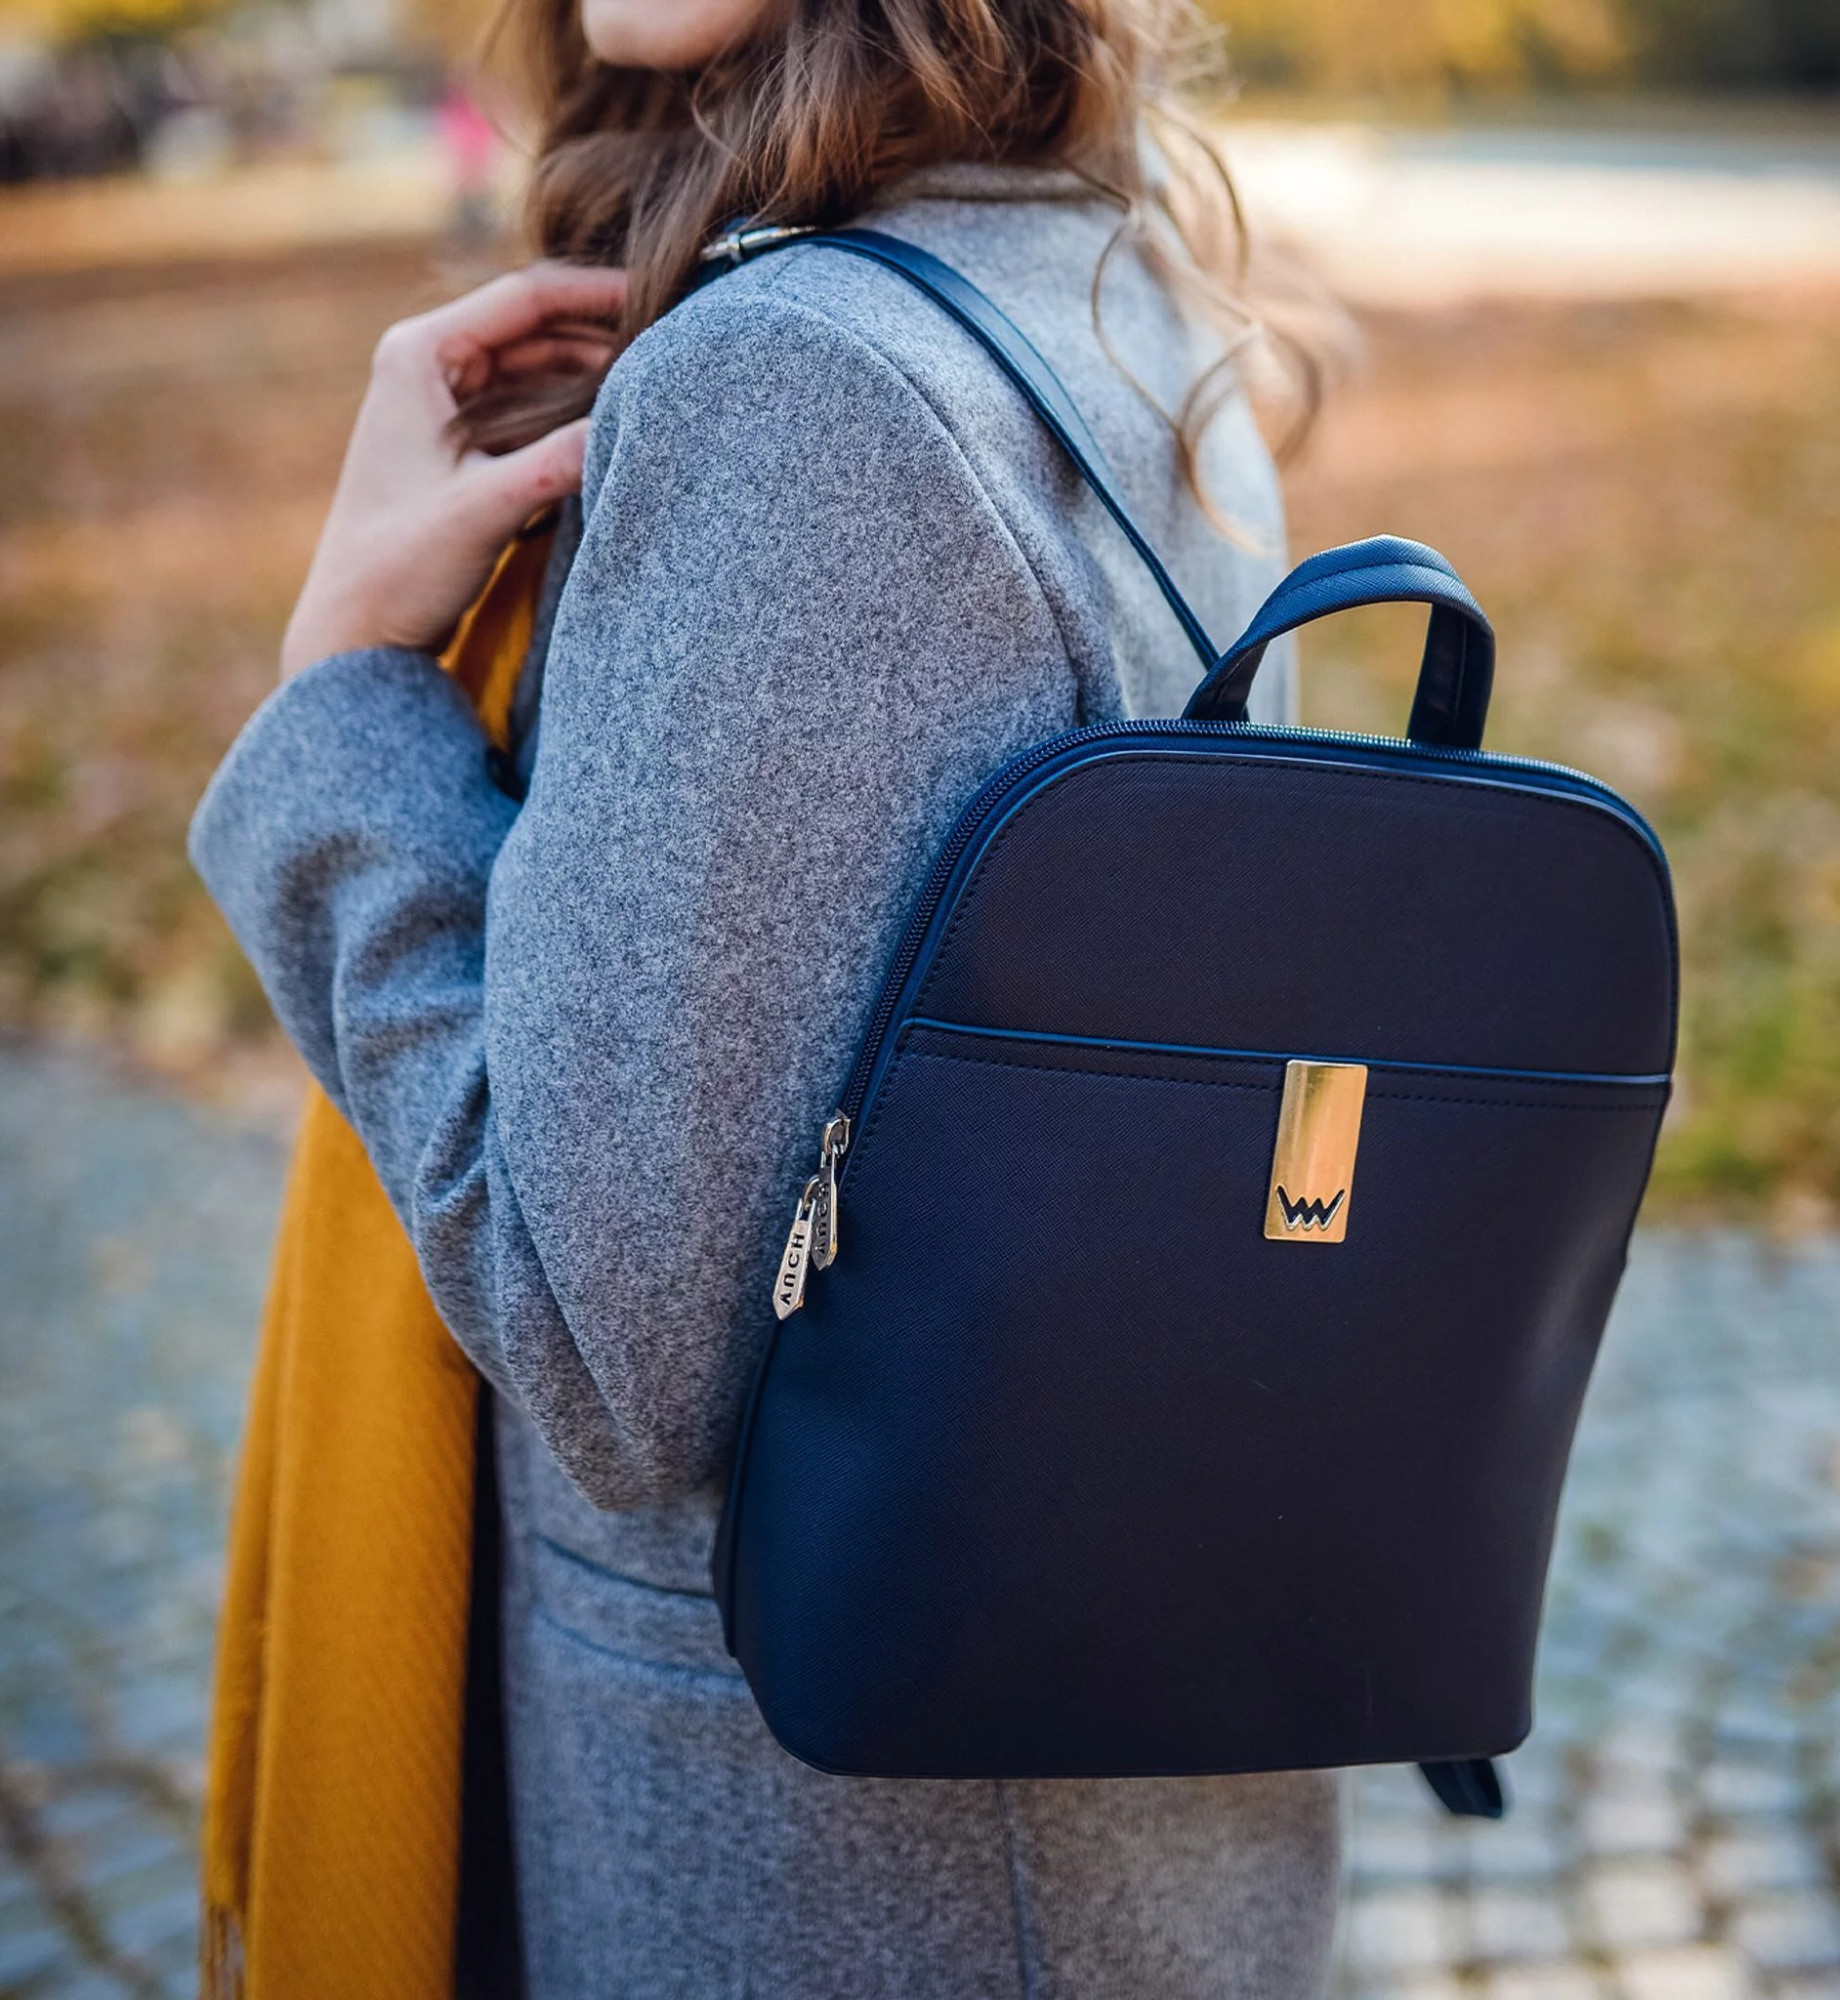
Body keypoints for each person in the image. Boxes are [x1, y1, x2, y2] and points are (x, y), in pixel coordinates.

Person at [190, 0, 1340, 1989]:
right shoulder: (1104, 267)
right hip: (1106, 1817)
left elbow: (595, 1338)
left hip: (835, 1871)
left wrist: (344, 695)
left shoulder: (801, 378)